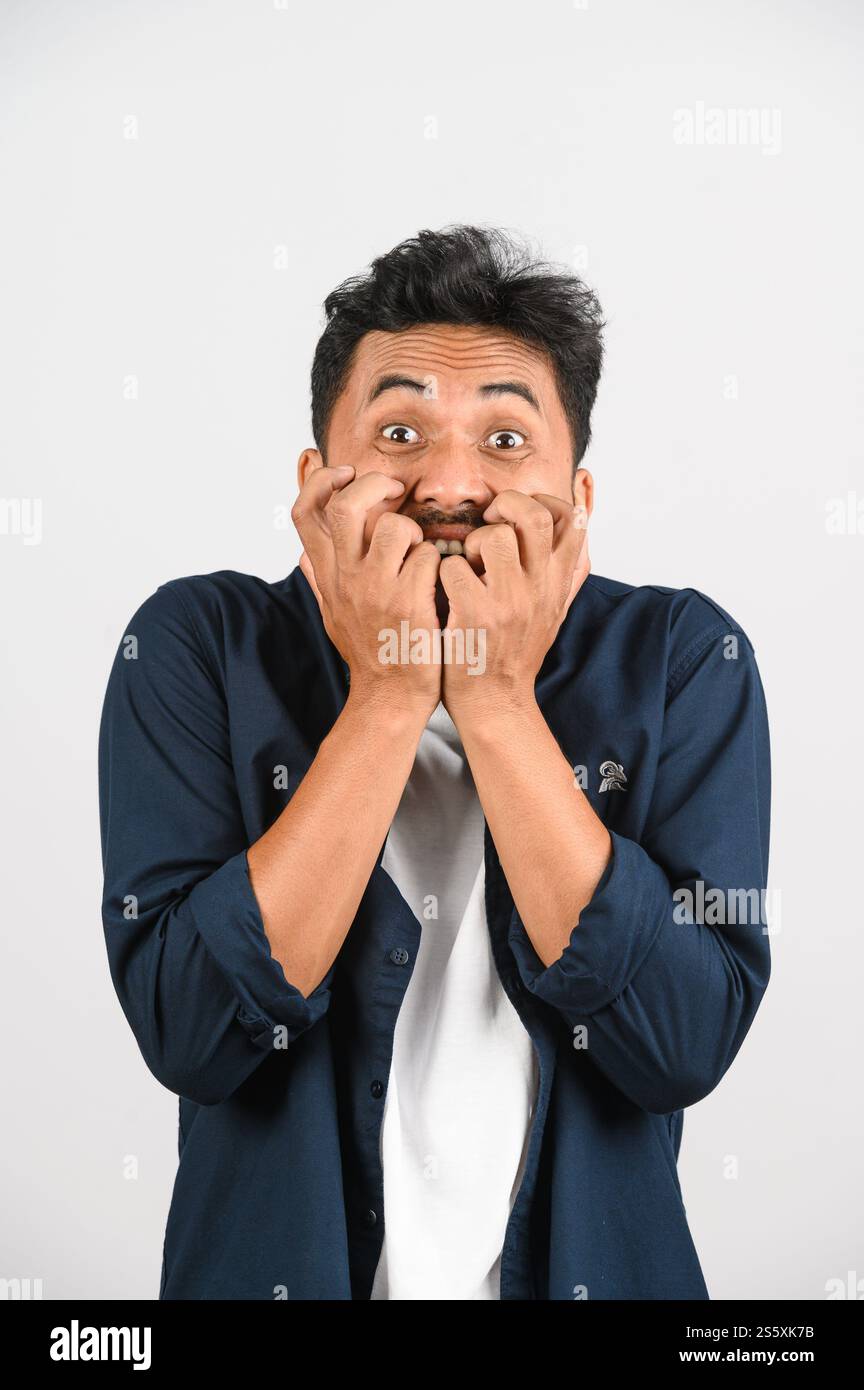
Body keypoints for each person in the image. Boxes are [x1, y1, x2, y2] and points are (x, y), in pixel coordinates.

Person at [98, 223, 771, 1300]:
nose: (450, 483)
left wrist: (497, 698)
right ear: (318, 480)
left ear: (578, 500)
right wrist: (391, 687)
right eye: (400, 430)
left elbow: (682, 1041)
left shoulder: (684, 659)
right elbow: (190, 1031)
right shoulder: (196, 645)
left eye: (506, 441)